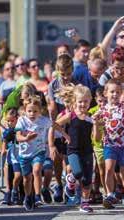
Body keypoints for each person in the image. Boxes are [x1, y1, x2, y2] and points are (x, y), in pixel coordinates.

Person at [92, 79, 124, 212]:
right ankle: (109, 195)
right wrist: (96, 124)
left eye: (118, 92)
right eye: (112, 91)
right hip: (110, 144)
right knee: (109, 168)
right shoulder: (102, 110)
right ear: (106, 93)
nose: (115, 94)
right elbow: (93, 121)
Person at [15, 95, 69, 211]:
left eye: (35, 111)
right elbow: (18, 136)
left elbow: (55, 125)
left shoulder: (44, 121)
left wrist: (65, 135)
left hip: (39, 151)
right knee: (26, 178)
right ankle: (28, 196)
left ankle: (37, 196)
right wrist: (26, 139)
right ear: (25, 111)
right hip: (24, 154)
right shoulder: (22, 120)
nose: (32, 114)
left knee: (37, 170)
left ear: (40, 111)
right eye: (29, 111)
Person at [51, 84, 97, 213]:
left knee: (87, 179)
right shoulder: (71, 115)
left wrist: (97, 125)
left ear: (90, 101)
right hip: (73, 150)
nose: (83, 104)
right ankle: (70, 180)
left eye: (86, 101)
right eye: (80, 101)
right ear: (75, 102)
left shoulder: (91, 117)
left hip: (87, 150)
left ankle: (85, 203)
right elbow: (55, 125)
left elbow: (96, 137)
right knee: (77, 173)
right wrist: (65, 135)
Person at [48, 54, 79, 202]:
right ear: (57, 71)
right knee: (57, 157)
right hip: (59, 124)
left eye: (68, 74)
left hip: (72, 125)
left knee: (69, 161)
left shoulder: (77, 84)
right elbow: (52, 107)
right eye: (63, 74)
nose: (66, 77)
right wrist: (53, 129)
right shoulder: (53, 85)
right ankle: (59, 185)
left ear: (72, 70)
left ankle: (70, 186)